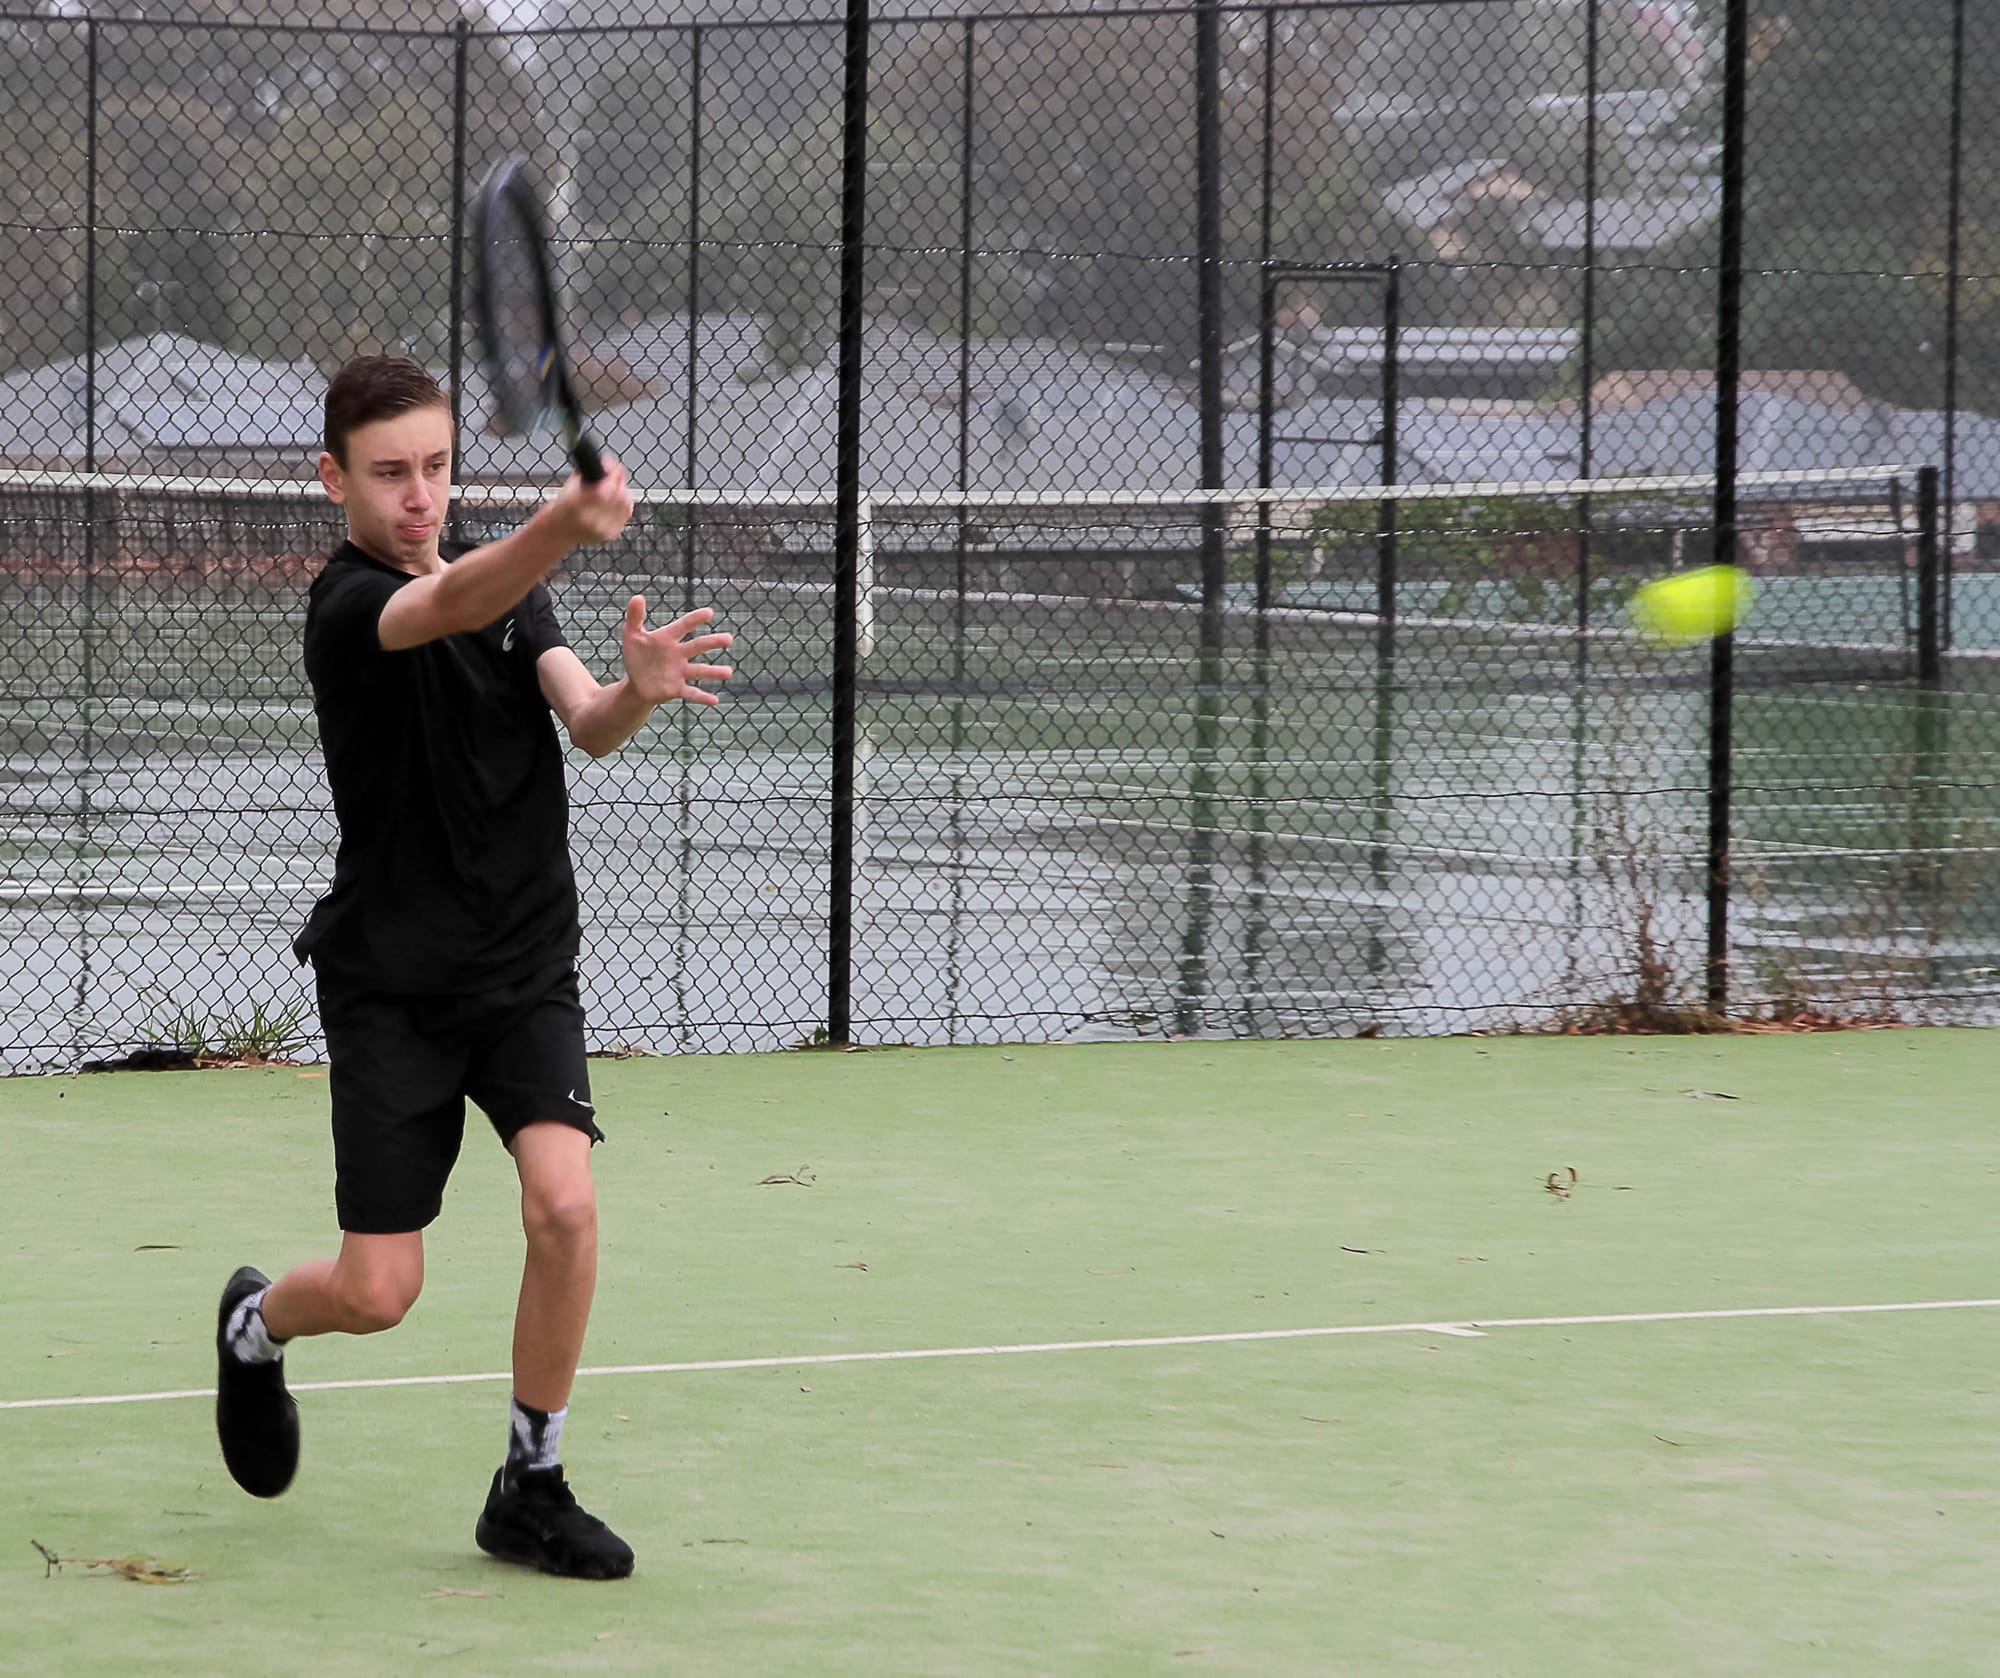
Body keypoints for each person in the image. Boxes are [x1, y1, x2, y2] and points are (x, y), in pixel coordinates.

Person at [213, 355, 733, 1580]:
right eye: (388, 473)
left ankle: (530, 1481)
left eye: (437, 467)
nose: (418, 495)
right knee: (379, 1288)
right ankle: (252, 1322)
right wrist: (564, 519)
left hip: (522, 970)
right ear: (332, 478)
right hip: (390, 985)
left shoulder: (515, 594)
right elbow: (440, 608)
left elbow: (589, 724)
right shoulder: (345, 608)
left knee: (564, 1205)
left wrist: (638, 692)